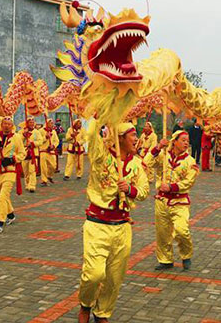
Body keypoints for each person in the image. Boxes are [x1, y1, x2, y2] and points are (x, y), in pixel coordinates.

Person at [78, 122, 149, 323]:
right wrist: (97, 116)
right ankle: (85, 303)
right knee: (93, 274)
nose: (136, 139)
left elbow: (144, 191)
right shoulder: (101, 157)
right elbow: (92, 137)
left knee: (114, 277)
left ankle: (102, 313)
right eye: (132, 135)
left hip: (122, 227)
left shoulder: (137, 164)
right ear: (119, 138)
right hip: (97, 225)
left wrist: (130, 190)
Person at [145, 130, 199, 271]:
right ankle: (165, 259)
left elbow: (189, 182)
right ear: (174, 141)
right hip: (162, 200)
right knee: (162, 233)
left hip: (179, 202)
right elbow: (146, 163)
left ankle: (186, 255)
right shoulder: (163, 155)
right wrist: (157, 147)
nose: (186, 143)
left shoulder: (190, 161)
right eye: (183, 140)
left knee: (182, 230)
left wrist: (172, 187)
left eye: (187, 141)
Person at [0, 117, 26, 234]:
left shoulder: (17, 138)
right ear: (2, 124)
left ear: (12, 126)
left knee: (4, 195)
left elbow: (22, 153)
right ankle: (10, 214)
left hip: (10, 170)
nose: (6, 126)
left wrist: (13, 159)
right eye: (5, 123)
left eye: (9, 124)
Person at [20, 118, 42, 191]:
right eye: (30, 122)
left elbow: (40, 141)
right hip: (24, 153)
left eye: (33, 122)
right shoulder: (22, 131)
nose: (32, 124)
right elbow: (18, 141)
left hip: (33, 153)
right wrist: (24, 135)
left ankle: (32, 185)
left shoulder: (37, 132)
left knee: (32, 170)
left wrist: (33, 144)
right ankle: (27, 184)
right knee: (25, 171)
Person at [39, 118, 60, 186]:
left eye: (52, 123)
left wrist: (53, 146)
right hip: (43, 151)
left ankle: (49, 176)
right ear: (47, 123)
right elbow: (39, 141)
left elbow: (56, 141)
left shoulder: (53, 132)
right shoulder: (41, 131)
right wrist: (45, 137)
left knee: (53, 165)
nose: (52, 124)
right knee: (43, 167)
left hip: (51, 151)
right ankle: (44, 181)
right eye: (50, 123)